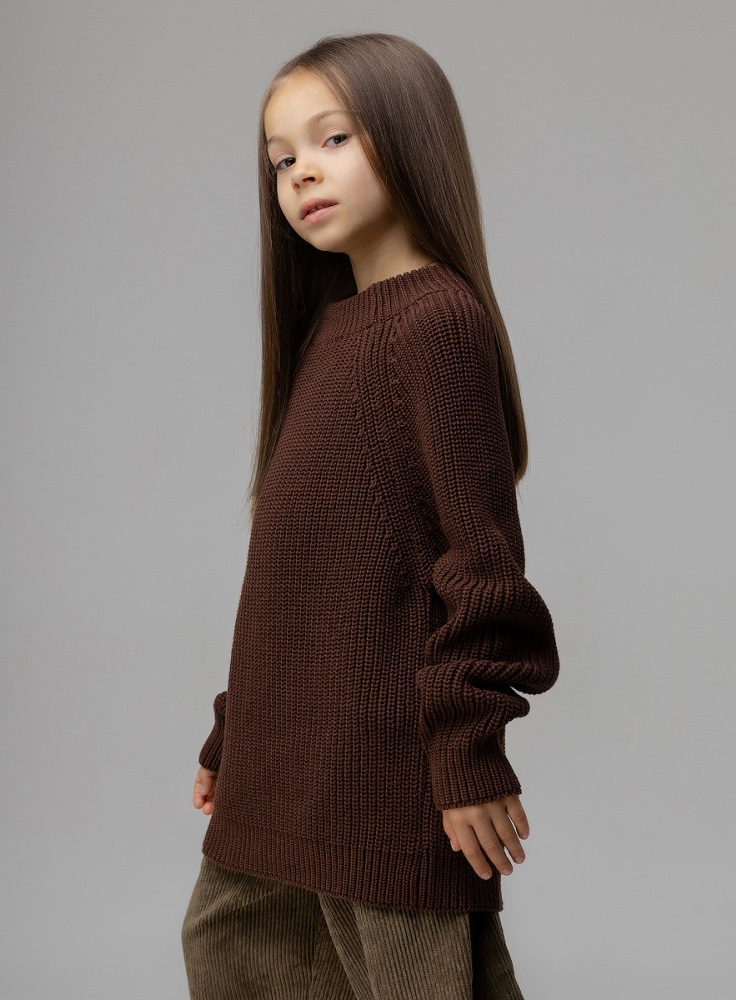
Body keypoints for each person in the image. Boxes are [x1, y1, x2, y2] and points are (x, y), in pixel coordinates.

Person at [181, 31, 560, 1000]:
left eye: (333, 138)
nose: (301, 172)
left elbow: (481, 564)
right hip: (285, 772)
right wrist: (238, 730)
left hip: (382, 784)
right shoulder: (330, 333)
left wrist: (468, 751)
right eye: (280, 159)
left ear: (411, 135)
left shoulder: (435, 322)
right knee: (228, 955)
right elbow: (294, 576)